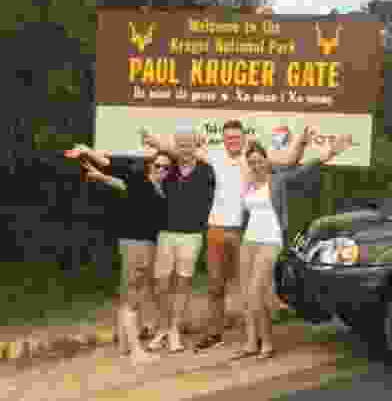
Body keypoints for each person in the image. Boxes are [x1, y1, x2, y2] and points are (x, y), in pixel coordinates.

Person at [140, 121, 327, 352]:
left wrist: (301, 141)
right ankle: (215, 333)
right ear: (223, 138)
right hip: (215, 230)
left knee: (249, 288)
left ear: (243, 138)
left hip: (243, 231)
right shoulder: (214, 157)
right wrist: (155, 142)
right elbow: (182, 151)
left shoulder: (252, 160)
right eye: (228, 137)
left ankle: (258, 336)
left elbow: (289, 160)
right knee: (215, 287)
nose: (232, 141)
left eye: (236, 137)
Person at [232, 134, 353, 360]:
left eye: (259, 160)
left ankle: (266, 343)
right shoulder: (249, 183)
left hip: (271, 240)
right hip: (249, 241)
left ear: (267, 160)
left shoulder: (278, 179)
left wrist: (330, 153)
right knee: (246, 295)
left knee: (257, 293)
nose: (256, 165)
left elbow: (304, 168)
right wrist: (246, 145)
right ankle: (250, 342)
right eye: (252, 162)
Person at [67, 145, 174, 365]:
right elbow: (111, 164)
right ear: (149, 166)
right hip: (135, 244)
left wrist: (100, 178)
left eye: (166, 167)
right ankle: (136, 352)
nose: (161, 169)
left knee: (131, 294)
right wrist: (86, 150)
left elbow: (120, 184)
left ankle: (125, 346)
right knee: (132, 297)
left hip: (145, 245)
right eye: (157, 165)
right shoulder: (142, 180)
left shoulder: (157, 188)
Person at [147, 125, 216, 353]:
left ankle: (174, 330)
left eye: (189, 144)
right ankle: (163, 329)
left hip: (192, 236)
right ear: (176, 147)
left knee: (182, 284)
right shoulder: (167, 168)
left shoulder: (207, 170)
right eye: (181, 144)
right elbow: (153, 188)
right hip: (165, 233)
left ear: (196, 146)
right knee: (161, 285)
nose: (185, 149)